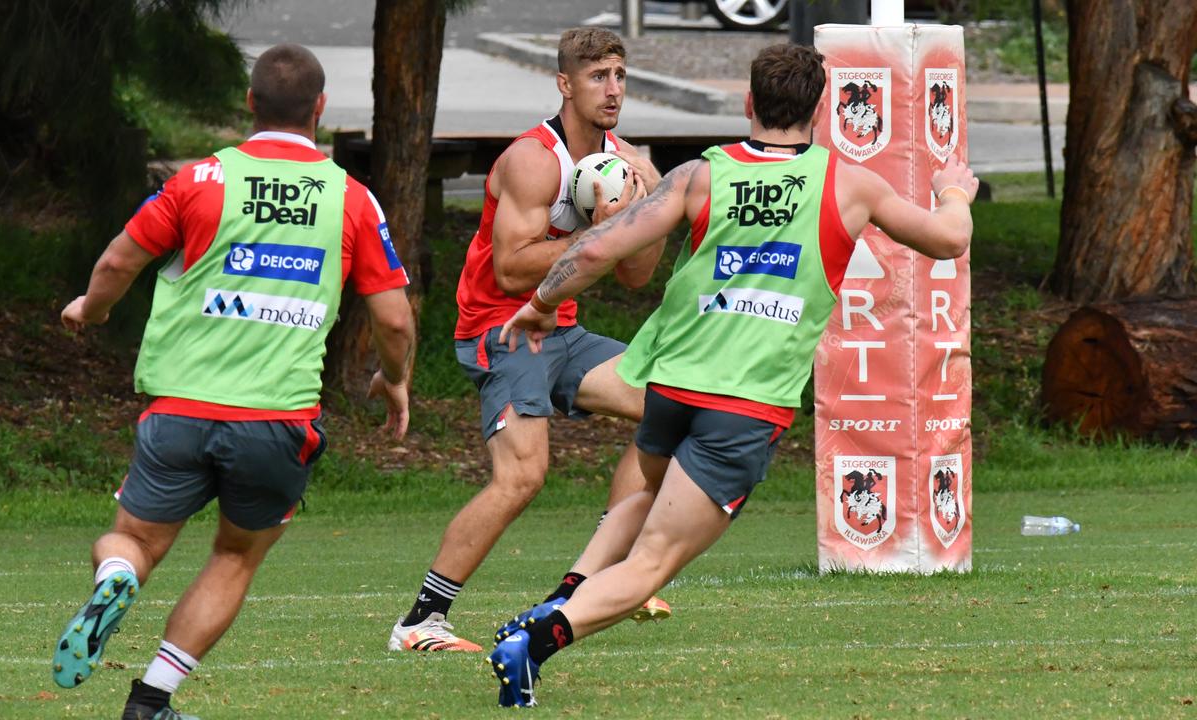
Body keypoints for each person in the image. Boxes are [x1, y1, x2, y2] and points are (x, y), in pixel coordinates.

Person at [488, 43, 978, 707]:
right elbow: (948, 238)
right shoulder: (848, 183)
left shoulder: (702, 174)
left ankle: (562, 598)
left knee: (644, 502)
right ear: (820, 108)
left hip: (671, 388)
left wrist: (541, 303)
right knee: (655, 560)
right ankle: (537, 638)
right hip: (742, 407)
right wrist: (954, 191)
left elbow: (601, 245)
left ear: (749, 104)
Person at [51, 44, 414, 720]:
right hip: (276, 422)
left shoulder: (199, 180)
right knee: (234, 556)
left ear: (250, 104)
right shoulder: (351, 198)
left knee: (132, 538)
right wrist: (395, 381)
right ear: (320, 110)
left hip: (180, 413)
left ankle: (117, 576)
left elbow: (117, 261)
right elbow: (393, 321)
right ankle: (151, 700)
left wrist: (90, 308)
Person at [388, 27, 672, 654]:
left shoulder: (626, 161)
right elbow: (511, 269)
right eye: (599, 76)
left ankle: (600, 579)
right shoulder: (532, 159)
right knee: (523, 477)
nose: (613, 89)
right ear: (565, 84)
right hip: (501, 330)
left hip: (562, 334)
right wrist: (602, 233)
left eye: (620, 75)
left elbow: (634, 275)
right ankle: (419, 623)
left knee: (672, 407)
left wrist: (644, 215)